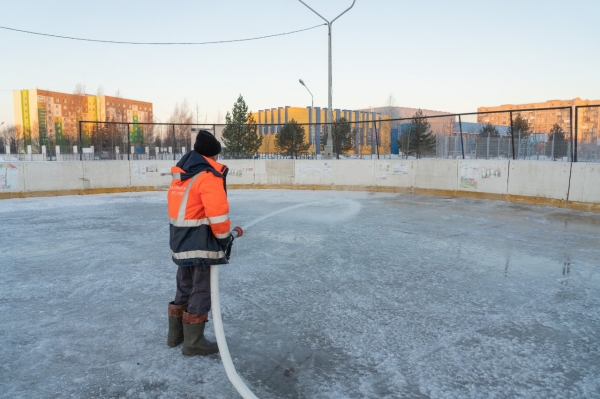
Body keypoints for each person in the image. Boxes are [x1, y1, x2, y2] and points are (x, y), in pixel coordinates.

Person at [166, 130, 242, 356]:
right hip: (200, 242)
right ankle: (193, 343)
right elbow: (217, 216)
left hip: (180, 241)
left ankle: (175, 337)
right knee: (200, 290)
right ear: (212, 156)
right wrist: (224, 238)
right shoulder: (207, 176)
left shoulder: (184, 176)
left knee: (184, 286)